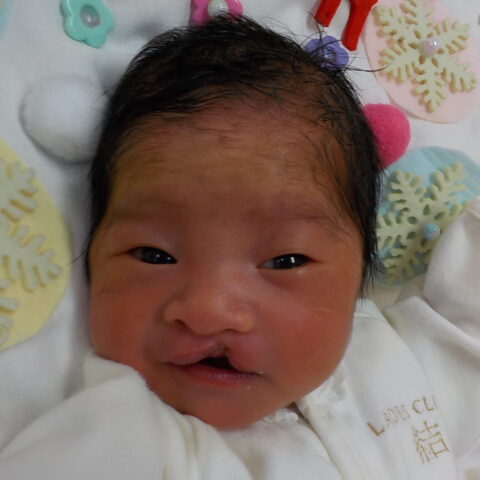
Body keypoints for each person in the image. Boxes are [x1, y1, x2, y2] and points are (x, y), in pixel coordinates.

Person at [1, 15, 478, 479]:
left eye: (286, 261)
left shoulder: (396, 363)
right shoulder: (118, 437)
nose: (208, 311)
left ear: (359, 275)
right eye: (154, 255)